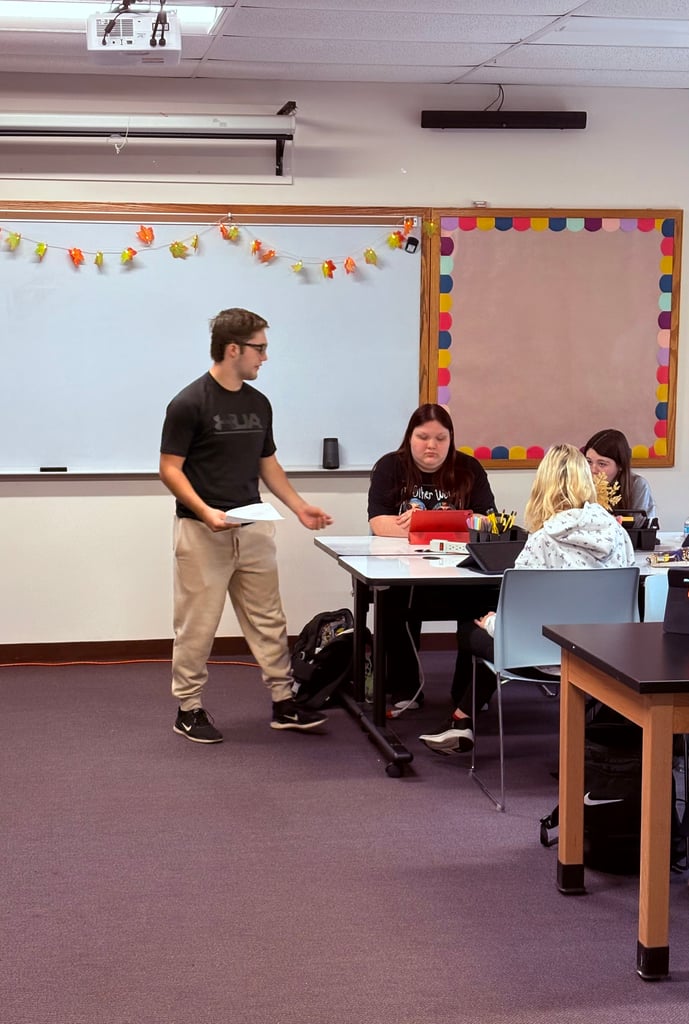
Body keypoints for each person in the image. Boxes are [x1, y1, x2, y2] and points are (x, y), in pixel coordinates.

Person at [160, 307, 333, 743]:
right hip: (203, 531)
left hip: (253, 526)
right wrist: (205, 511)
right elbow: (169, 469)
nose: (265, 357)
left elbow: (266, 463)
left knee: (269, 619)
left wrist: (298, 506)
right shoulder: (189, 403)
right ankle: (189, 709)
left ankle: (283, 702)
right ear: (233, 349)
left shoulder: (258, 404)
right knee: (197, 624)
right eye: (260, 348)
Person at [419, 443, 636, 755]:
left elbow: (520, 624)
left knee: (472, 629)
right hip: (606, 656)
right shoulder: (619, 535)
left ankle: (461, 720)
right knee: (497, 631)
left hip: (548, 657)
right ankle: (460, 719)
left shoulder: (542, 541)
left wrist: (492, 623)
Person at [368, 403, 499, 711]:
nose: (432, 446)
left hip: (459, 571)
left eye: (441, 438)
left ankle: (466, 694)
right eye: (423, 437)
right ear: (409, 437)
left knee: (485, 598)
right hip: (405, 569)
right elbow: (379, 523)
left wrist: (425, 524)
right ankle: (405, 688)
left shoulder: (469, 468)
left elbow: (487, 521)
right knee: (392, 600)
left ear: (451, 439)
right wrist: (442, 527)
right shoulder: (390, 467)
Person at [583, 428, 658, 522]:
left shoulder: (637, 485)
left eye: (602, 464)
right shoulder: (579, 483)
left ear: (620, 465)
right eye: (589, 462)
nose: (593, 470)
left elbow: (638, 524)